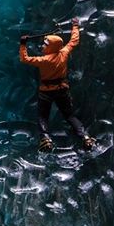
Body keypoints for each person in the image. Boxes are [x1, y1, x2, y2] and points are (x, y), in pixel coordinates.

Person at [19, 17, 95, 152]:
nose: (43, 46)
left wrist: (23, 45)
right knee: (70, 116)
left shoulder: (43, 60)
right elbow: (74, 41)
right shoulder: (63, 53)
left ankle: (46, 139)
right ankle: (85, 137)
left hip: (46, 92)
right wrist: (75, 25)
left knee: (43, 116)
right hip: (62, 90)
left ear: (50, 47)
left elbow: (24, 59)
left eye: (46, 44)